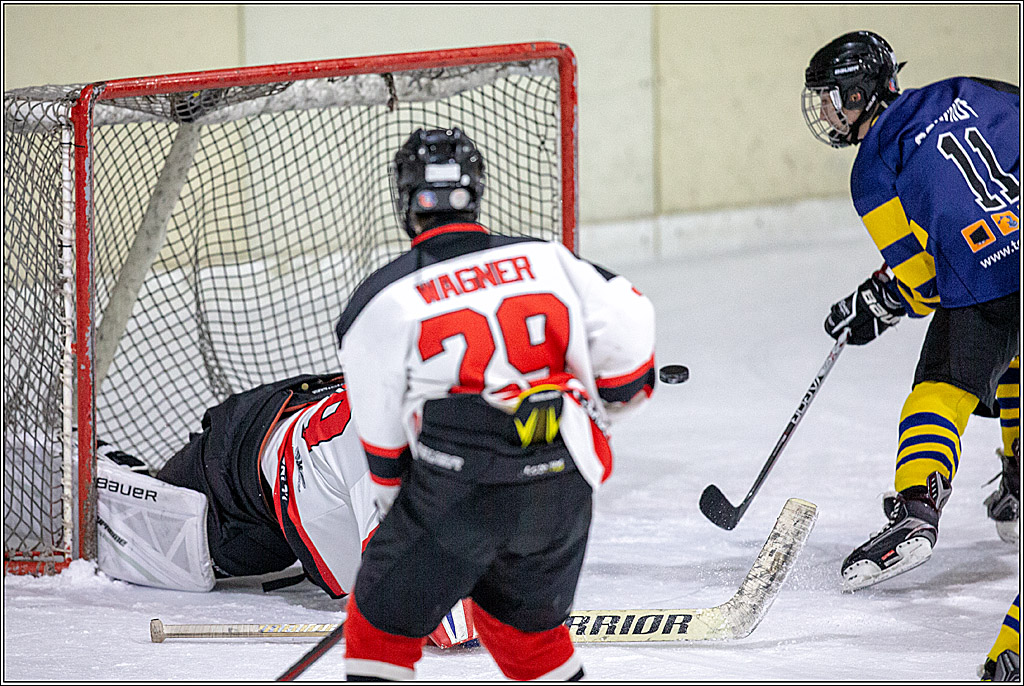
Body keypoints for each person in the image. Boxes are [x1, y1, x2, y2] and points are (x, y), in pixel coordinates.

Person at [335, 127, 656, 681]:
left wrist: (407, 513)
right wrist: (611, 401)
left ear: (405, 201)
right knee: (524, 634)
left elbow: (384, 444)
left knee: (379, 628)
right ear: (476, 191)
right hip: (562, 473)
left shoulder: (379, 299)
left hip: (458, 485)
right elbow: (631, 331)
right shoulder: (548, 259)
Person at [803, 30, 1020, 681]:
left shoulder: (872, 167)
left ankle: (918, 511)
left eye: (832, 100)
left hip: (984, 277)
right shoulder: (973, 89)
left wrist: (878, 304)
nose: (827, 115)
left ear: (860, 92)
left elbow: (922, 285)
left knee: (940, 388)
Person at [92, 373, 478, 648]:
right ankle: (88, 455)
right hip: (237, 480)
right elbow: (433, 618)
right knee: (148, 537)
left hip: (302, 422)